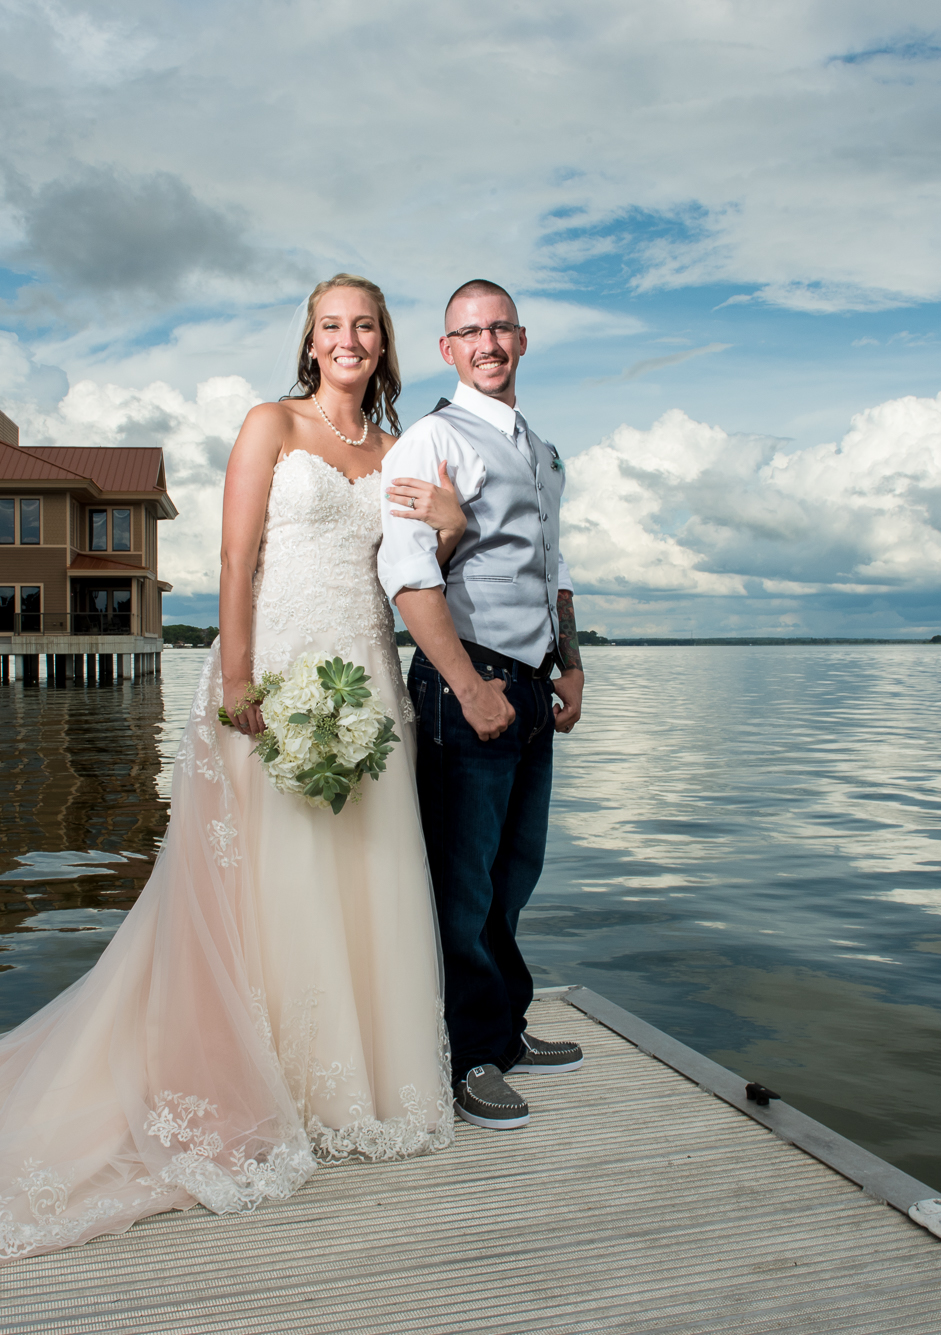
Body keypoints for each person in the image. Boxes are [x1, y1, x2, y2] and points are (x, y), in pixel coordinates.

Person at [0, 274, 469, 1270]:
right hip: (279, 664)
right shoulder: (268, 426)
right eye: (330, 325)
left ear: (384, 343)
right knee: (273, 875)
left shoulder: (393, 451)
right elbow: (234, 555)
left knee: (361, 869)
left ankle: (355, 1087)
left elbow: (407, 568)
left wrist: (451, 528)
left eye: (363, 326)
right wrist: (236, 668)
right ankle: (265, 1081)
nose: (348, 340)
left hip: (367, 672)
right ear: (309, 342)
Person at [378, 279, 586, 1132]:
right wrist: (468, 686)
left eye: (501, 327)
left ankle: (504, 1029)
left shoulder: (543, 450)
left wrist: (570, 663)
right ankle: (464, 1061)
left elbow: (554, 565)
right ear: (447, 350)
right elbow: (408, 573)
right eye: (470, 331)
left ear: (524, 340)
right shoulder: (429, 439)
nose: (488, 342)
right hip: (467, 683)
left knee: (514, 874)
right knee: (458, 886)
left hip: (533, 683)